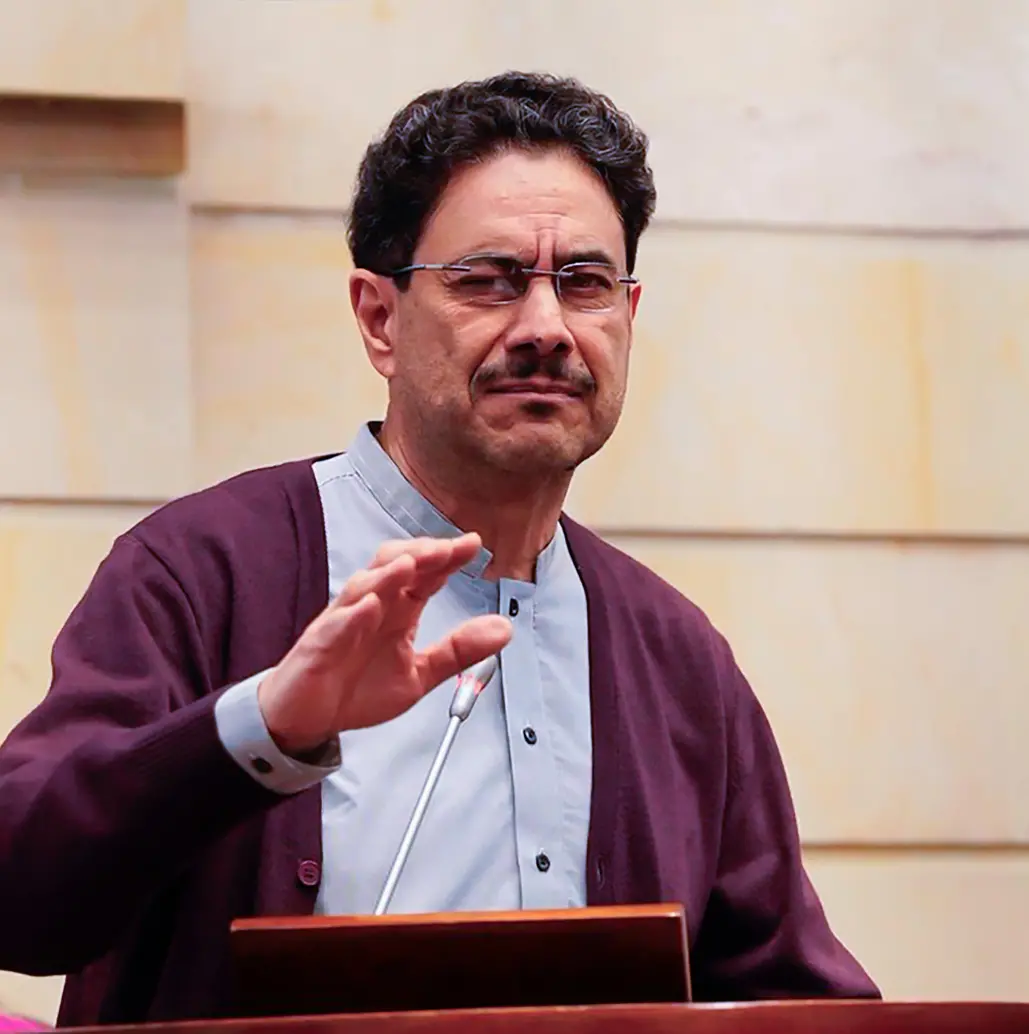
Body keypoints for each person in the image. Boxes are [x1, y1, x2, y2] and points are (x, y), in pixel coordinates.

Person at [0, 71, 879, 1025]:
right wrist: (267, 728)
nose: (546, 328)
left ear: (629, 314)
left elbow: (788, 993)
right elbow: (24, 897)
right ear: (379, 319)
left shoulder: (675, 654)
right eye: (489, 281)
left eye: (584, 283)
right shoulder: (206, 568)